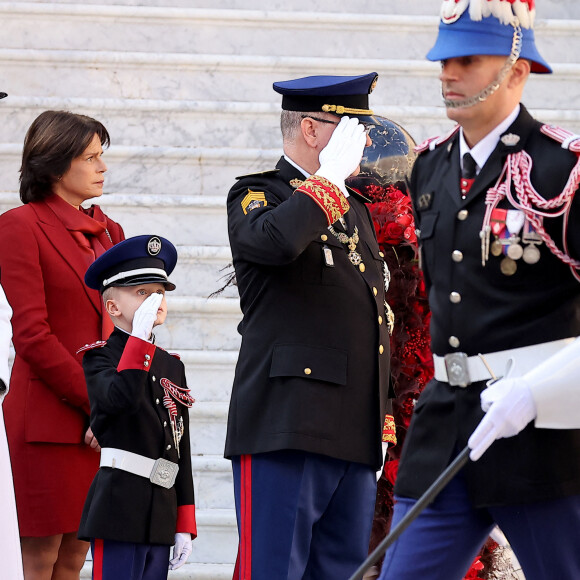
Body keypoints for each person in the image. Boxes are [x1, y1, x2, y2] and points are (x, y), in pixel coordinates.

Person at [378, 1, 580, 579]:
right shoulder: (429, 168)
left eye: (466, 59)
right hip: (446, 425)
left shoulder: (561, 170)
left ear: (517, 71)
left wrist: (539, 393)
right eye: (444, 59)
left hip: (543, 433)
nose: (447, 72)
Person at [225, 73, 393, 580]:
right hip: (288, 424)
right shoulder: (259, 195)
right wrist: (329, 180)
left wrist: (378, 418)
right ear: (311, 131)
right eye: (350, 130)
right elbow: (275, 243)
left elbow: (373, 316)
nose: (363, 144)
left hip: (353, 433)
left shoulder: (354, 209)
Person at [0, 110, 124, 579]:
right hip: (47, 421)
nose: (102, 167)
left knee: (74, 558)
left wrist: (116, 401)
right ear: (54, 167)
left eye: (101, 156)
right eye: (91, 157)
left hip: (97, 428)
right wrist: (98, 401)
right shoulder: (19, 226)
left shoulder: (110, 232)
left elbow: (126, 327)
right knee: (37, 559)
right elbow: (31, 333)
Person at [77, 234, 196, 580]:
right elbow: (118, 403)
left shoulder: (172, 366)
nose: (154, 300)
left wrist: (184, 521)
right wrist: (139, 343)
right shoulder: (100, 357)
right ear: (113, 308)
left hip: (161, 508)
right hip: (119, 505)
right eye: (141, 292)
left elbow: (180, 446)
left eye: (159, 292)